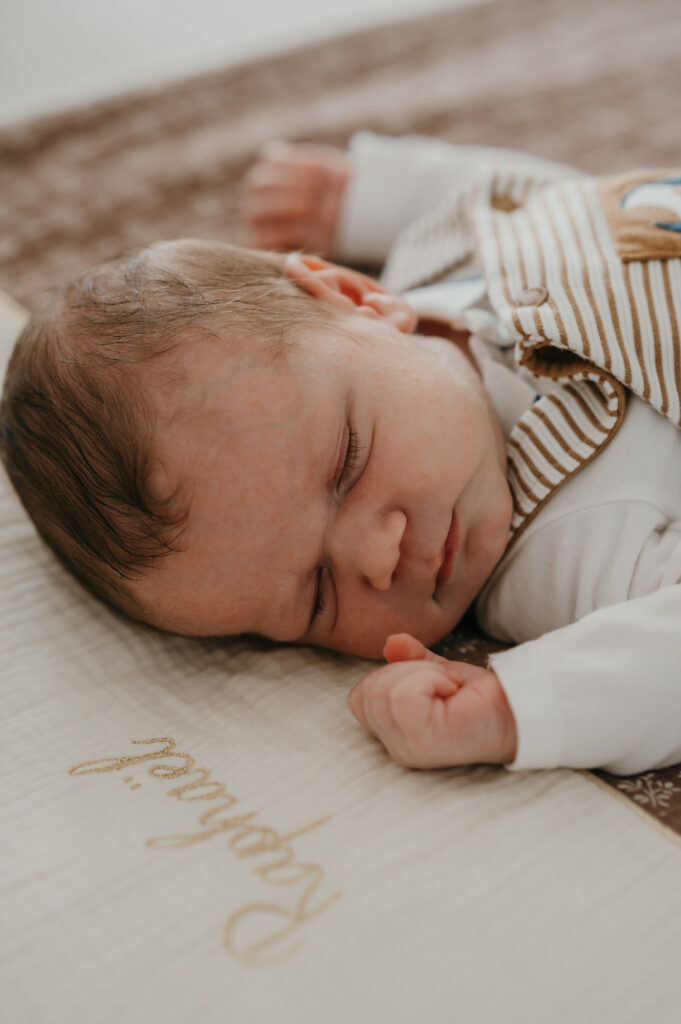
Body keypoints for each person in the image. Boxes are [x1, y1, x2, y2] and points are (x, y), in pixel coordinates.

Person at [3, 133, 681, 777]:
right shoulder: (569, 552)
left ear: (360, 296)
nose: (378, 558)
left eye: (345, 465)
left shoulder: (441, 253)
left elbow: (498, 192)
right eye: (317, 596)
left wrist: (356, 198)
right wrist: (515, 709)